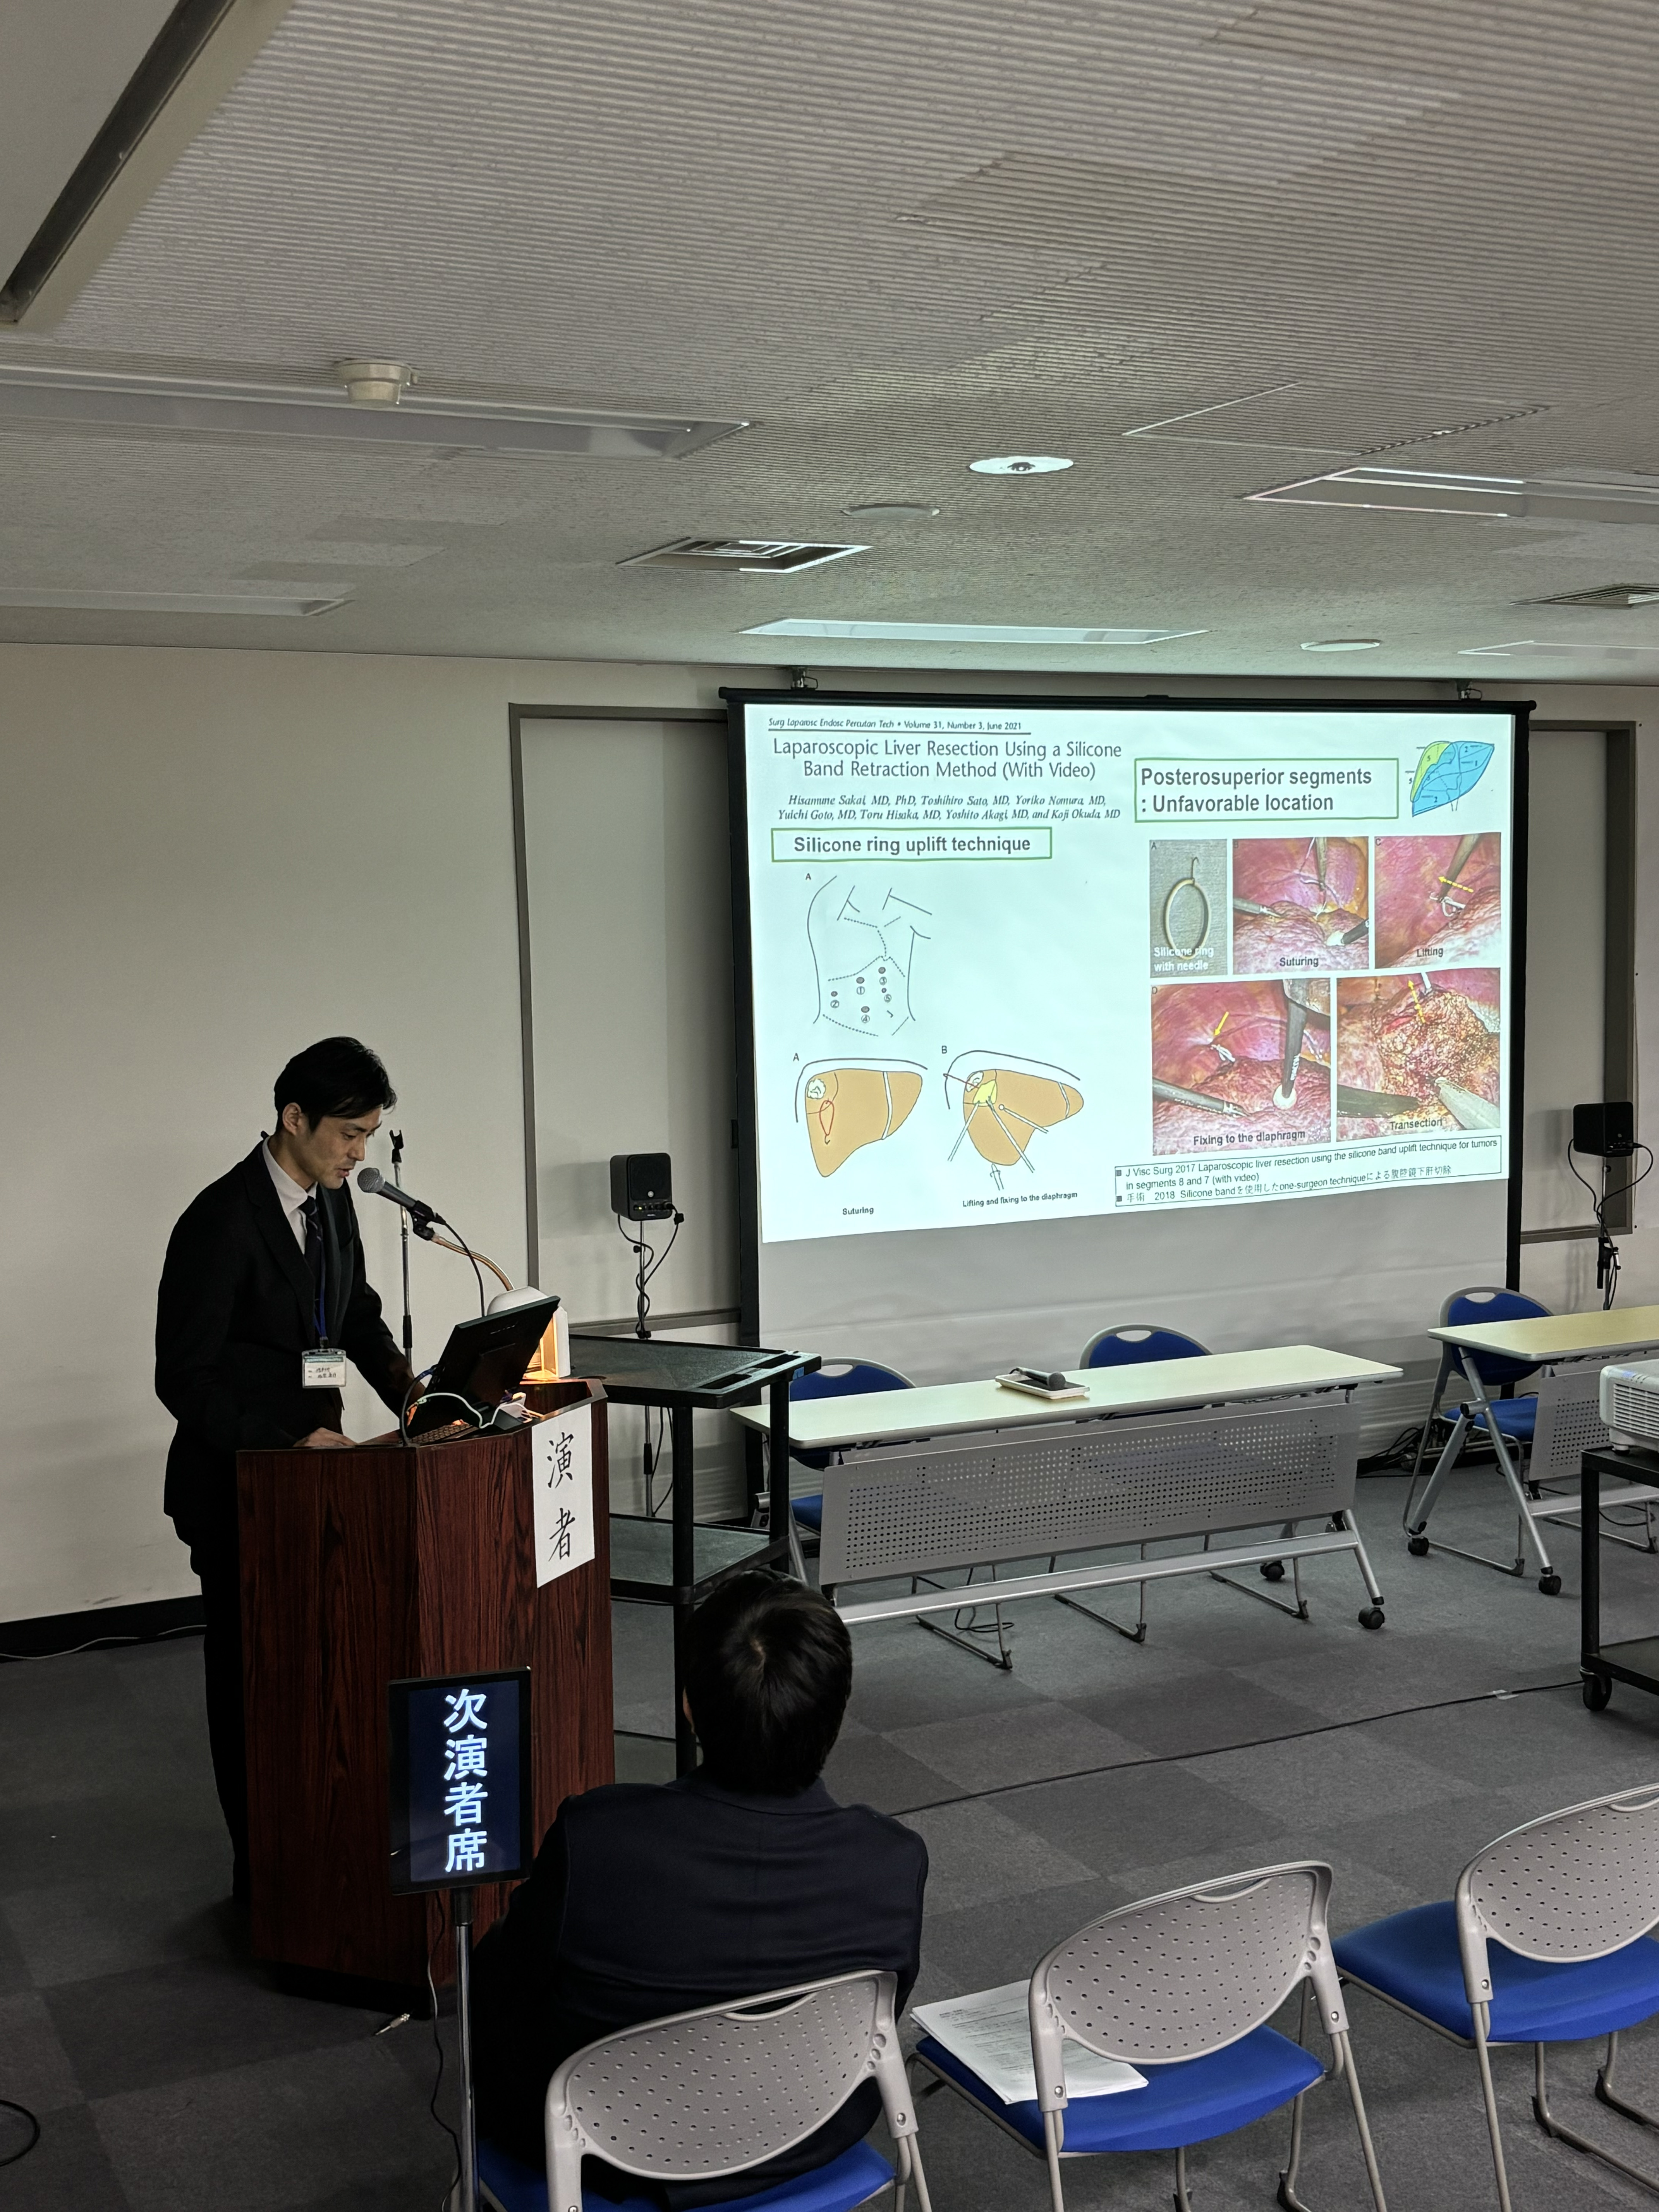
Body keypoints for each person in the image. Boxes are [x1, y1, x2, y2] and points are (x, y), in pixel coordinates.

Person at [472, 1571, 928, 2206]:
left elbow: (502, 1988)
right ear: (837, 1710)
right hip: (810, 2133)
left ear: (688, 1706)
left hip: (613, 2154)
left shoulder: (597, 1838)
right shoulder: (893, 1859)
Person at [155, 1036, 416, 1902]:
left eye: (369, 1135)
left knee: (318, 1674)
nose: (359, 1154)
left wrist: (417, 1401)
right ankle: (259, 1879)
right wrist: (284, 1443)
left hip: (321, 1485)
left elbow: (357, 1316)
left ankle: (315, 1852)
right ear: (293, 1118)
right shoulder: (219, 1220)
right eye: (349, 1134)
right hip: (242, 1487)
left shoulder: (332, 1204)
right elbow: (183, 1378)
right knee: (251, 1686)